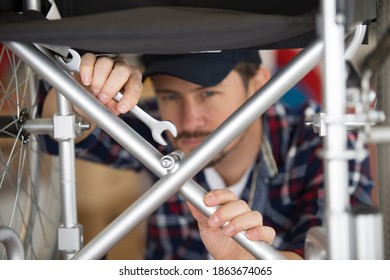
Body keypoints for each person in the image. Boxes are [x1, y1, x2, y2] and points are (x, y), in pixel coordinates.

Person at [41, 49, 373, 260]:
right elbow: (64, 131)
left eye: (209, 93)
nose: (188, 119)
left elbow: (334, 258)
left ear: (258, 85)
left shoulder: (325, 141)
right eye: (171, 95)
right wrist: (82, 92)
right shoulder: (160, 125)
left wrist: (242, 264)